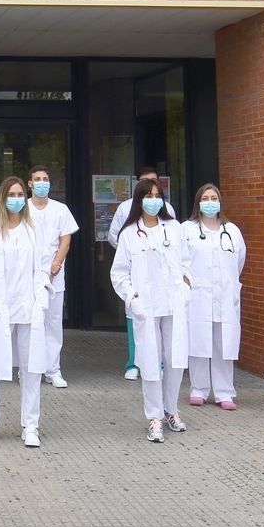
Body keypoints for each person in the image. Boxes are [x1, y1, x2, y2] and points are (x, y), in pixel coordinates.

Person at [110, 178, 190, 443]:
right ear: (139, 200)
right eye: (148, 196)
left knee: (175, 358)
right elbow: (119, 273)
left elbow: (188, 263)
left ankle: (172, 410)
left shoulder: (175, 228)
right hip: (146, 306)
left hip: (173, 304)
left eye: (158, 195)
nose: (154, 200)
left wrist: (187, 287)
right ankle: (154, 417)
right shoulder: (129, 233)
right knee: (150, 361)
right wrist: (132, 298)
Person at [0, 177, 50, 449]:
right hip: (0, 310)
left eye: (20, 194)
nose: (17, 198)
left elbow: (43, 267)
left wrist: (41, 296)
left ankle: (31, 425)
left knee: (32, 369)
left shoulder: (33, 229)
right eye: (12, 194)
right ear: (3, 197)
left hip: (29, 309)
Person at [107, 167, 177, 381]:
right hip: (139, 279)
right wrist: (134, 252)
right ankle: (134, 364)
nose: (153, 198)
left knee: (167, 335)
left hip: (165, 287)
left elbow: (178, 250)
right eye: (146, 184)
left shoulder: (170, 213)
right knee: (137, 326)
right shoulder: (125, 209)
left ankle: (163, 365)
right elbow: (114, 236)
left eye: (154, 184)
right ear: (137, 184)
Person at [180, 183, 246, 410]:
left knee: (224, 344)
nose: (210, 202)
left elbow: (239, 261)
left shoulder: (232, 230)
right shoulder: (186, 229)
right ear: (198, 202)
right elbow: (179, 261)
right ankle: (198, 389)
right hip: (197, 295)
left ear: (220, 202)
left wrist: (227, 284)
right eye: (205, 198)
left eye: (214, 198)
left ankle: (225, 393)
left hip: (225, 296)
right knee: (198, 343)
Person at [27, 165, 77, 388]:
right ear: (30, 184)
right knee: (28, 323)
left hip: (55, 275)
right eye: (37, 179)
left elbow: (65, 239)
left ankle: (53, 370)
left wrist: (56, 264)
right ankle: (29, 369)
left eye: (45, 179)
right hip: (26, 275)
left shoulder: (60, 209)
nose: (41, 183)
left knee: (53, 323)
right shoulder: (22, 208)